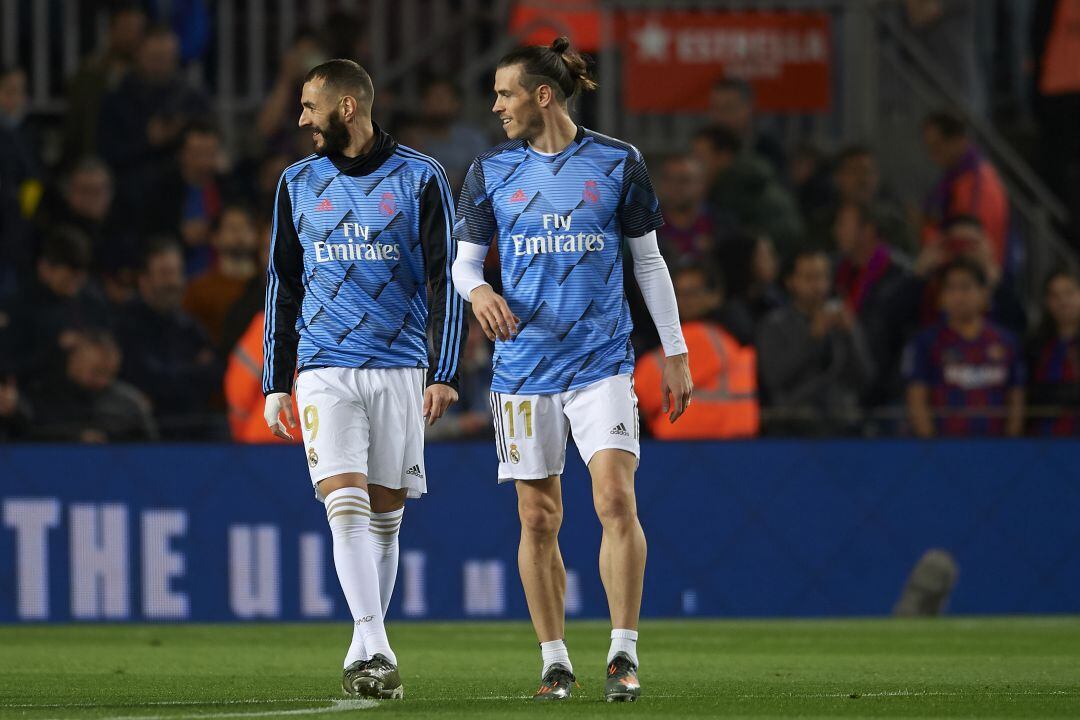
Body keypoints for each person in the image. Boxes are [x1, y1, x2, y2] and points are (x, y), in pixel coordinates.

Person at [451, 37, 692, 702]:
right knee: (538, 518)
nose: (496, 105)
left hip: (602, 361)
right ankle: (555, 660)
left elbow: (647, 260)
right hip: (524, 368)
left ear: (543, 95)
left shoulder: (618, 163)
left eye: (505, 93)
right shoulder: (490, 173)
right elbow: (464, 262)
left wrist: (674, 351)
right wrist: (478, 291)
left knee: (615, 498)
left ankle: (623, 653)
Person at [262, 59, 464, 700]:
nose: (300, 118)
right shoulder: (295, 183)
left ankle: (363, 646)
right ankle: (377, 646)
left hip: (400, 366)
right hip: (323, 368)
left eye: (309, 106)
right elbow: (283, 285)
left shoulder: (420, 177)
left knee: (384, 518)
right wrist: (275, 380)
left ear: (347, 106)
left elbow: (447, 280)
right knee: (342, 502)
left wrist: (444, 368)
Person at [756, 249, 875, 436]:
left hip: (842, 425)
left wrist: (850, 334)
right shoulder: (774, 325)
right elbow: (774, 377)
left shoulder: (843, 321)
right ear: (790, 282)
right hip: (793, 427)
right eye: (809, 278)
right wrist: (811, 338)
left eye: (822, 277)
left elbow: (866, 376)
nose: (817, 285)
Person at [903, 258, 1025, 437]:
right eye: (950, 289)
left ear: (984, 293)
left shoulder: (1006, 341)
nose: (958, 296)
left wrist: (1011, 444)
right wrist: (930, 447)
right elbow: (917, 398)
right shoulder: (927, 342)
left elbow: (1016, 397)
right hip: (945, 450)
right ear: (942, 297)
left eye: (966, 287)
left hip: (997, 449)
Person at [114, 239, 221, 440]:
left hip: (194, 427)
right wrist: (193, 372)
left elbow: (214, 373)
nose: (173, 282)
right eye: (164, 274)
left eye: (177, 273)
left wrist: (173, 376)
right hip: (147, 432)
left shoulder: (189, 326)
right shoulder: (126, 325)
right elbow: (148, 379)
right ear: (144, 280)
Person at [636, 264, 758, 439]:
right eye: (677, 293)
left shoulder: (701, 337)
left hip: (687, 446)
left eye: (692, 293)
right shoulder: (734, 334)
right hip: (735, 444)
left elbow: (641, 389)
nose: (683, 301)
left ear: (714, 296)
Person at [692, 125, 803, 261]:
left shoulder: (733, 188)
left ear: (723, 156)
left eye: (700, 156)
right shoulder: (745, 178)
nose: (694, 163)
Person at [28, 329, 157, 443]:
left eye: (110, 374)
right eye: (96, 372)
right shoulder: (45, 395)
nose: (103, 381)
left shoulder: (129, 402)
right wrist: (75, 438)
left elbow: (151, 447)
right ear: (74, 360)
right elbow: (33, 435)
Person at [922, 111, 1010, 269]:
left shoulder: (979, 184)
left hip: (974, 276)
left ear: (958, 141)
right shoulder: (954, 179)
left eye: (937, 146)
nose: (932, 155)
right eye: (929, 147)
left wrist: (929, 232)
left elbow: (969, 242)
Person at [183, 205, 259, 349]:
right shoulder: (199, 289)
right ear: (215, 238)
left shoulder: (270, 285)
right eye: (232, 228)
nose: (240, 234)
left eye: (246, 227)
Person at [1027, 270, 1080, 435]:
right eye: (1055, 295)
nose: (1063, 301)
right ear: (1047, 301)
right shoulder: (1036, 346)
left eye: (1069, 293)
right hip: (1044, 441)